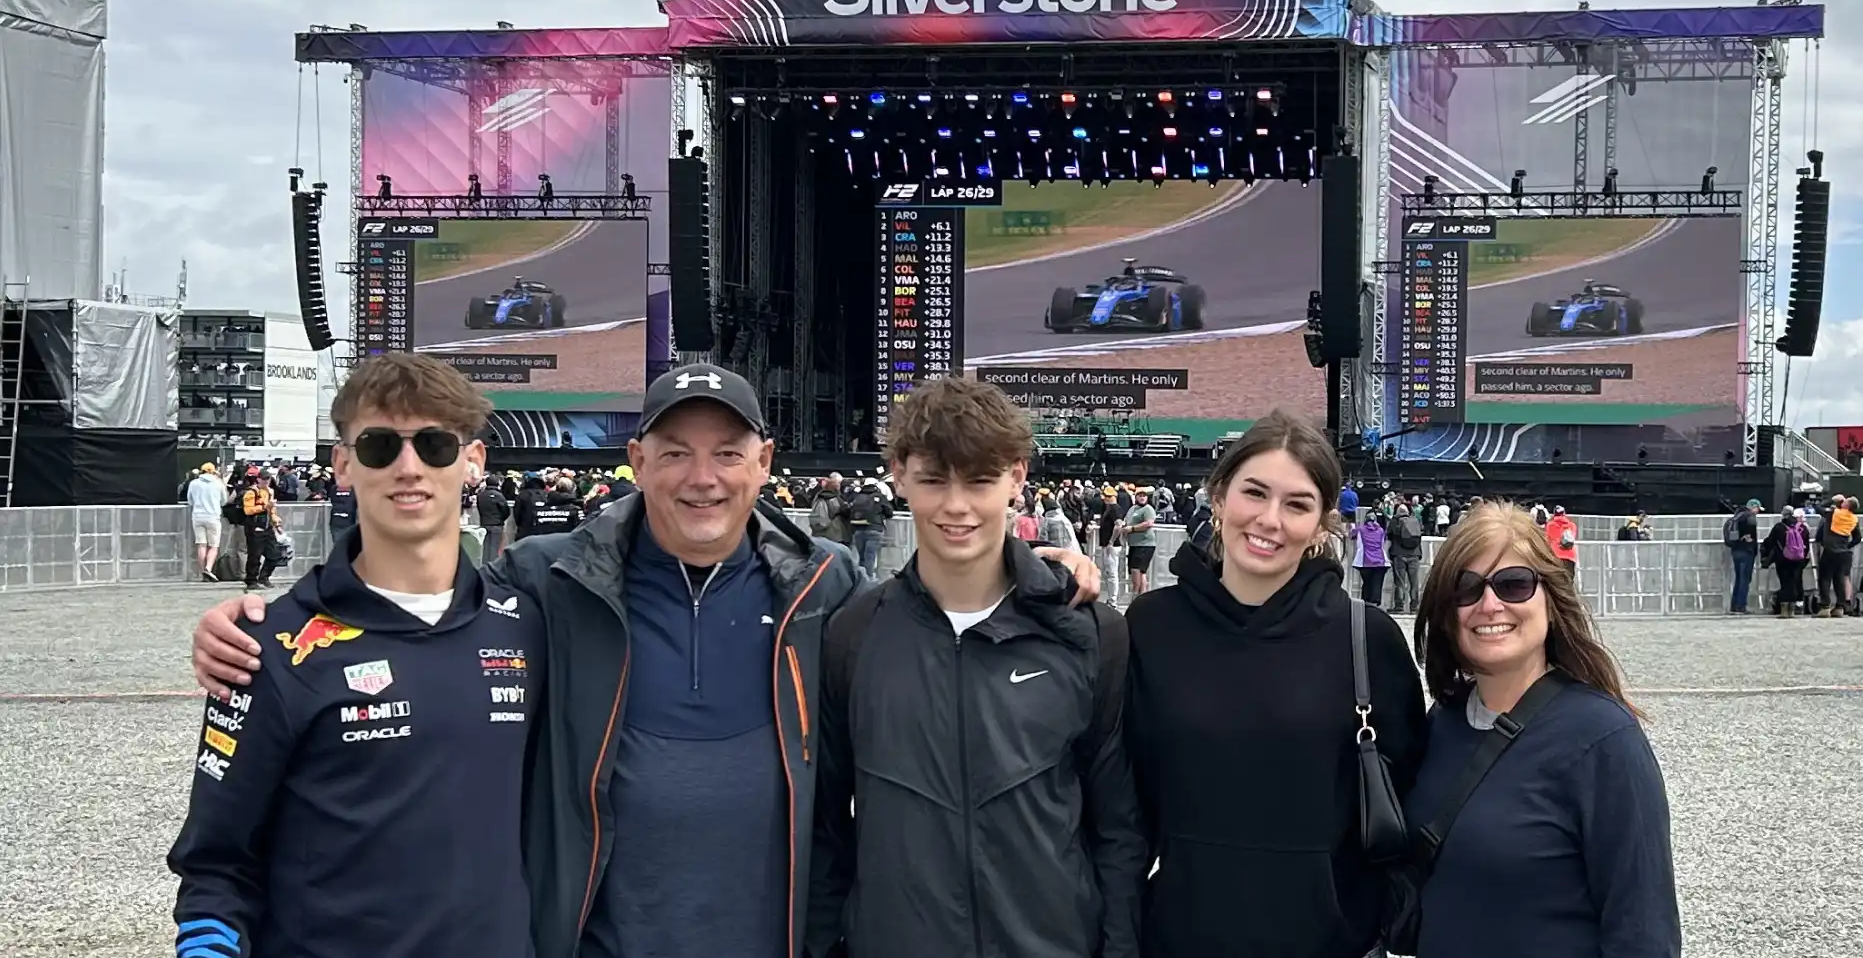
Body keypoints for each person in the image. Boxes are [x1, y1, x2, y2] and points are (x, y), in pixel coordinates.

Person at [190, 362, 1103, 958]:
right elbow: (415, 598)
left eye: (726, 454)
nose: (700, 477)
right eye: (674, 453)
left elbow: (943, 616)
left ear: (764, 463)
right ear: (635, 461)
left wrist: (1041, 572)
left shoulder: (831, 591)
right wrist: (269, 616)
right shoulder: (546, 583)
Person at [169, 353, 542, 958]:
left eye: (435, 444)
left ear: (474, 461)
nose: (408, 466)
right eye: (378, 446)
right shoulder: (270, 647)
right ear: (343, 464)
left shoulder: (528, 626)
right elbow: (217, 865)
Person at [806, 377, 1145, 958]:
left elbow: (1119, 831)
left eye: (980, 480)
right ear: (899, 474)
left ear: (1017, 477)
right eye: (935, 480)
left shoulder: (1088, 632)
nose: (956, 506)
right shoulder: (853, 636)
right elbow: (826, 829)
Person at [1123, 408, 1426, 957]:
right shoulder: (1148, 627)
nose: (1270, 519)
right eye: (1254, 493)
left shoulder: (1368, 638)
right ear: (1218, 497)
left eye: (1297, 504)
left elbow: (1408, 794)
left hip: (1329, 945)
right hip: (1176, 941)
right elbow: (1118, 806)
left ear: (1323, 522)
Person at [1405, 503, 1680, 958]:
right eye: (1466, 588)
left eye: (1513, 584)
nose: (1489, 604)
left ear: (1550, 599)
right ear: (1448, 612)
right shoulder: (1441, 724)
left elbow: (1643, 932)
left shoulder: (1603, 739)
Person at [1762, 506, 1812, 617]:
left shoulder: (1779, 527)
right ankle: (1792, 610)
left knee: (1785, 584)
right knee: (1795, 583)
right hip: (1798, 560)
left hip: (1783, 560)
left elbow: (1770, 543)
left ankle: (1784, 611)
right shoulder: (1802, 528)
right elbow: (1806, 546)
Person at [239, 467, 281, 590]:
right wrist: (263, 507)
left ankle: (264, 577)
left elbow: (272, 510)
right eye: (263, 479)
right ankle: (251, 580)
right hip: (254, 528)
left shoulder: (269, 492)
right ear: (258, 479)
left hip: (267, 527)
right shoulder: (251, 492)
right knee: (254, 556)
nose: (266, 482)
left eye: (268, 479)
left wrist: (276, 523)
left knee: (274, 555)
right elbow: (247, 510)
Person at [186, 462, 225, 581]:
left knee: (201, 544)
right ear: (213, 471)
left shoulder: (194, 483)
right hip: (213, 516)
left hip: (197, 516)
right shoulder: (219, 484)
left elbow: (190, 500)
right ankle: (208, 569)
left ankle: (203, 572)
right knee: (213, 545)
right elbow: (223, 501)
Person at [1725, 498, 1762, 614]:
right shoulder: (1749, 517)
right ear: (1753, 507)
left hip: (1736, 551)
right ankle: (1741, 606)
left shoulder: (1736, 516)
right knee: (1745, 580)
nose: (1758, 512)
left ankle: (1734, 605)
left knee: (1739, 579)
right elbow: (1751, 532)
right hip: (1746, 551)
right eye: (1758, 509)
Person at [1121, 486, 1158, 598]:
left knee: (1136, 569)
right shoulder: (1132, 509)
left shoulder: (1148, 509)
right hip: (1134, 544)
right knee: (1140, 572)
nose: (1142, 498)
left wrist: (1132, 529)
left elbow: (1149, 523)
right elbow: (1126, 521)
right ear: (1136, 497)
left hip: (1145, 544)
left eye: (1144, 496)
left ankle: (1136, 594)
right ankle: (1142, 596)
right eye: (1140, 495)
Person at [1387, 502, 1423, 613]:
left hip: (1399, 554)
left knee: (1400, 582)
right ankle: (1414, 607)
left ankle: (1399, 606)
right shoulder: (1415, 520)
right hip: (1414, 554)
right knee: (1414, 582)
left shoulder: (1394, 521)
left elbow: (1389, 535)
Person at [1355, 509, 1390, 606]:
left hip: (1365, 561)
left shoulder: (1361, 530)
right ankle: (1375, 603)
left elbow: (1351, 534)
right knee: (1377, 584)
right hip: (1380, 561)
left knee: (1366, 583)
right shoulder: (1381, 530)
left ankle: (1366, 603)